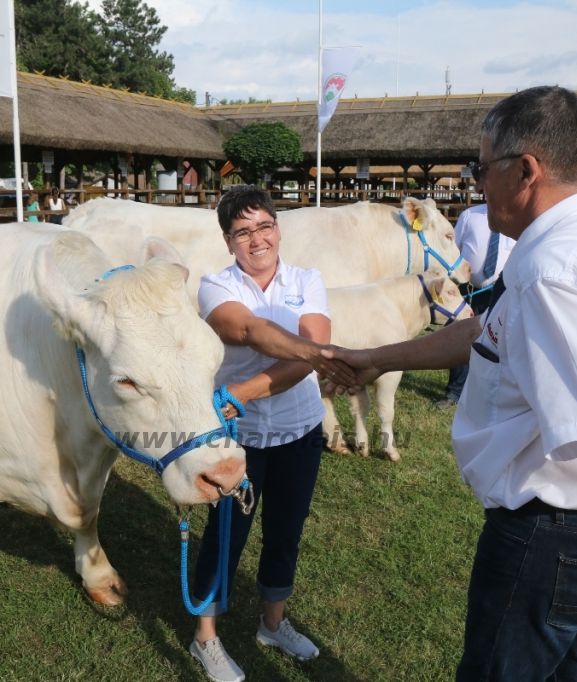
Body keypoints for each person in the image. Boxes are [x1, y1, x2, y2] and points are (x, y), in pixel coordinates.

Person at [323, 86, 577, 682]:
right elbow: (488, 332)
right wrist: (379, 357)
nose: (478, 185)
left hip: (555, 534)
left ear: (526, 170)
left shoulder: (552, 273)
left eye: (482, 169)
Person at [188, 185, 358, 682]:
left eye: (264, 225)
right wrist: (324, 358)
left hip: (300, 433)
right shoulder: (215, 286)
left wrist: (247, 387)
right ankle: (205, 638)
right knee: (225, 536)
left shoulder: (308, 279)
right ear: (228, 241)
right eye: (242, 231)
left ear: (277, 228)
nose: (256, 239)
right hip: (236, 438)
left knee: (286, 532)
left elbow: (311, 348)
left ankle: (273, 624)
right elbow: (244, 330)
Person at [439, 203, 515, 408]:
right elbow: (453, 250)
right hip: (469, 290)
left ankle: (490, 394)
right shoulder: (470, 215)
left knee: (496, 341)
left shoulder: (516, 214)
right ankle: (454, 392)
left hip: (502, 291)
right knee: (460, 337)